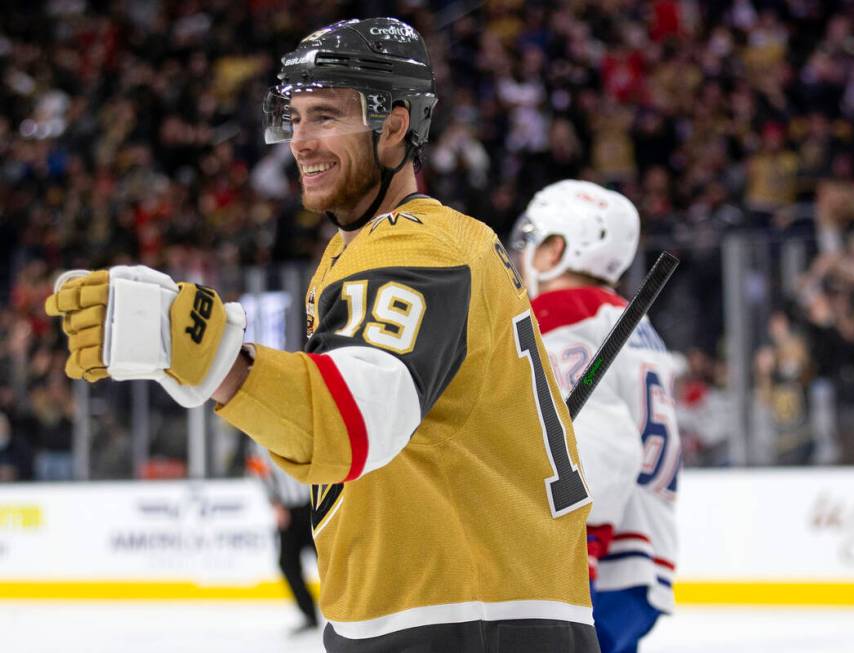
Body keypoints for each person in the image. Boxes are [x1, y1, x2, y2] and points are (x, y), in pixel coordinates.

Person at [43, 18, 600, 653]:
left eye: (326, 116)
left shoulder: (416, 245)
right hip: (455, 608)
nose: (300, 141)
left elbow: (347, 422)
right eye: (296, 117)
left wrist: (208, 356)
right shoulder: (367, 249)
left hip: (460, 617)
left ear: (394, 127)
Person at [511, 180, 681, 653]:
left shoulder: (559, 318)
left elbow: (599, 440)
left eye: (531, 242)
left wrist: (584, 546)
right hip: (638, 559)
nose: (521, 255)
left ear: (556, 250)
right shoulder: (629, 323)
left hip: (596, 563)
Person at [246, 442, 319, 635]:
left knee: (328, 561)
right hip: (288, 511)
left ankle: (347, 611)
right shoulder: (257, 443)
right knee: (287, 563)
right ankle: (310, 615)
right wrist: (275, 504)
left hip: (313, 507)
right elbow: (259, 472)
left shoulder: (297, 428)